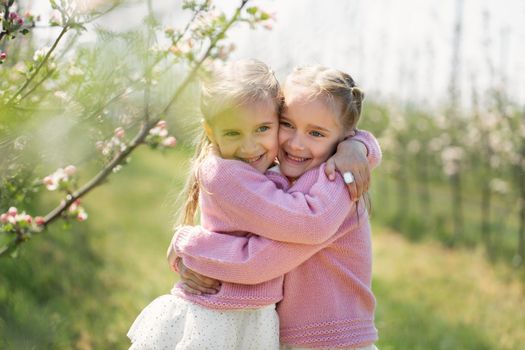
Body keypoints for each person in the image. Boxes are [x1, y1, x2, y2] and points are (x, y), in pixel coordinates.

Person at [127, 60, 379, 349]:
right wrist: (359, 146)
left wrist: (190, 246)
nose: (296, 143)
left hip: (332, 340)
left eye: (316, 133)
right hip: (286, 332)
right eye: (287, 125)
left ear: (342, 137)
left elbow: (260, 260)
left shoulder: (335, 185)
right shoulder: (271, 175)